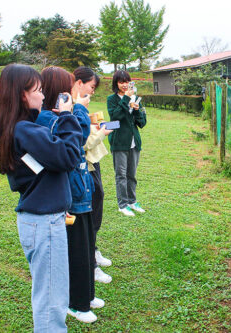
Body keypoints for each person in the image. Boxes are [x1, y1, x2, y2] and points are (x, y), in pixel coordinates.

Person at [0, 64, 82, 332]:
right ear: (23, 94)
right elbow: (68, 156)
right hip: (43, 224)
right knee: (51, 302)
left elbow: (40, 175)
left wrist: (58, 202)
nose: (43, 97)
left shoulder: (21, 129)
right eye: (39, 90)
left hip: (42, 219)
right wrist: (68, 117)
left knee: (49, 294)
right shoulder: (26, 130)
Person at [35, 66, 101, 324]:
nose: (70, 94)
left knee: (85, 247)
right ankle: (76, 303)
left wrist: (74, 111)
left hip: (80, 191)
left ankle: (86, 295)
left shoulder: (60, 115)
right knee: (75, 252)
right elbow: (80, 137)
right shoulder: (46, 119)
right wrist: (79, 110)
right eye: (66, 88)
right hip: (68, 196)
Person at [73, 67, 113, 283]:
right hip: (84, 166)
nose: (92, 92)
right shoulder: (70, 107)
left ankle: (93, 249)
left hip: (93, 163)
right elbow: (82, 142)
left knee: (97, 204)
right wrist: (102, 132)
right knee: (88, 213)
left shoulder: (78, 107)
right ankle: (91, 264)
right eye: (91, 86)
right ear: (79, 83)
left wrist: (91, 123)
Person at [107, 70, 147, 217]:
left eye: (126, 82)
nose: (124, 85)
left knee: (132, 174)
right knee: (121, 175)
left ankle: (132, 201)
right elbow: (115, 116)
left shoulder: (136, 98)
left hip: (133, 142)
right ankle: (122, 204)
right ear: (116, 83)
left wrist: (137, 110)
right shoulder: (112, 99)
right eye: (121, 82)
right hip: (119, 142)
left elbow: (141, 123)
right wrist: (126, 100)